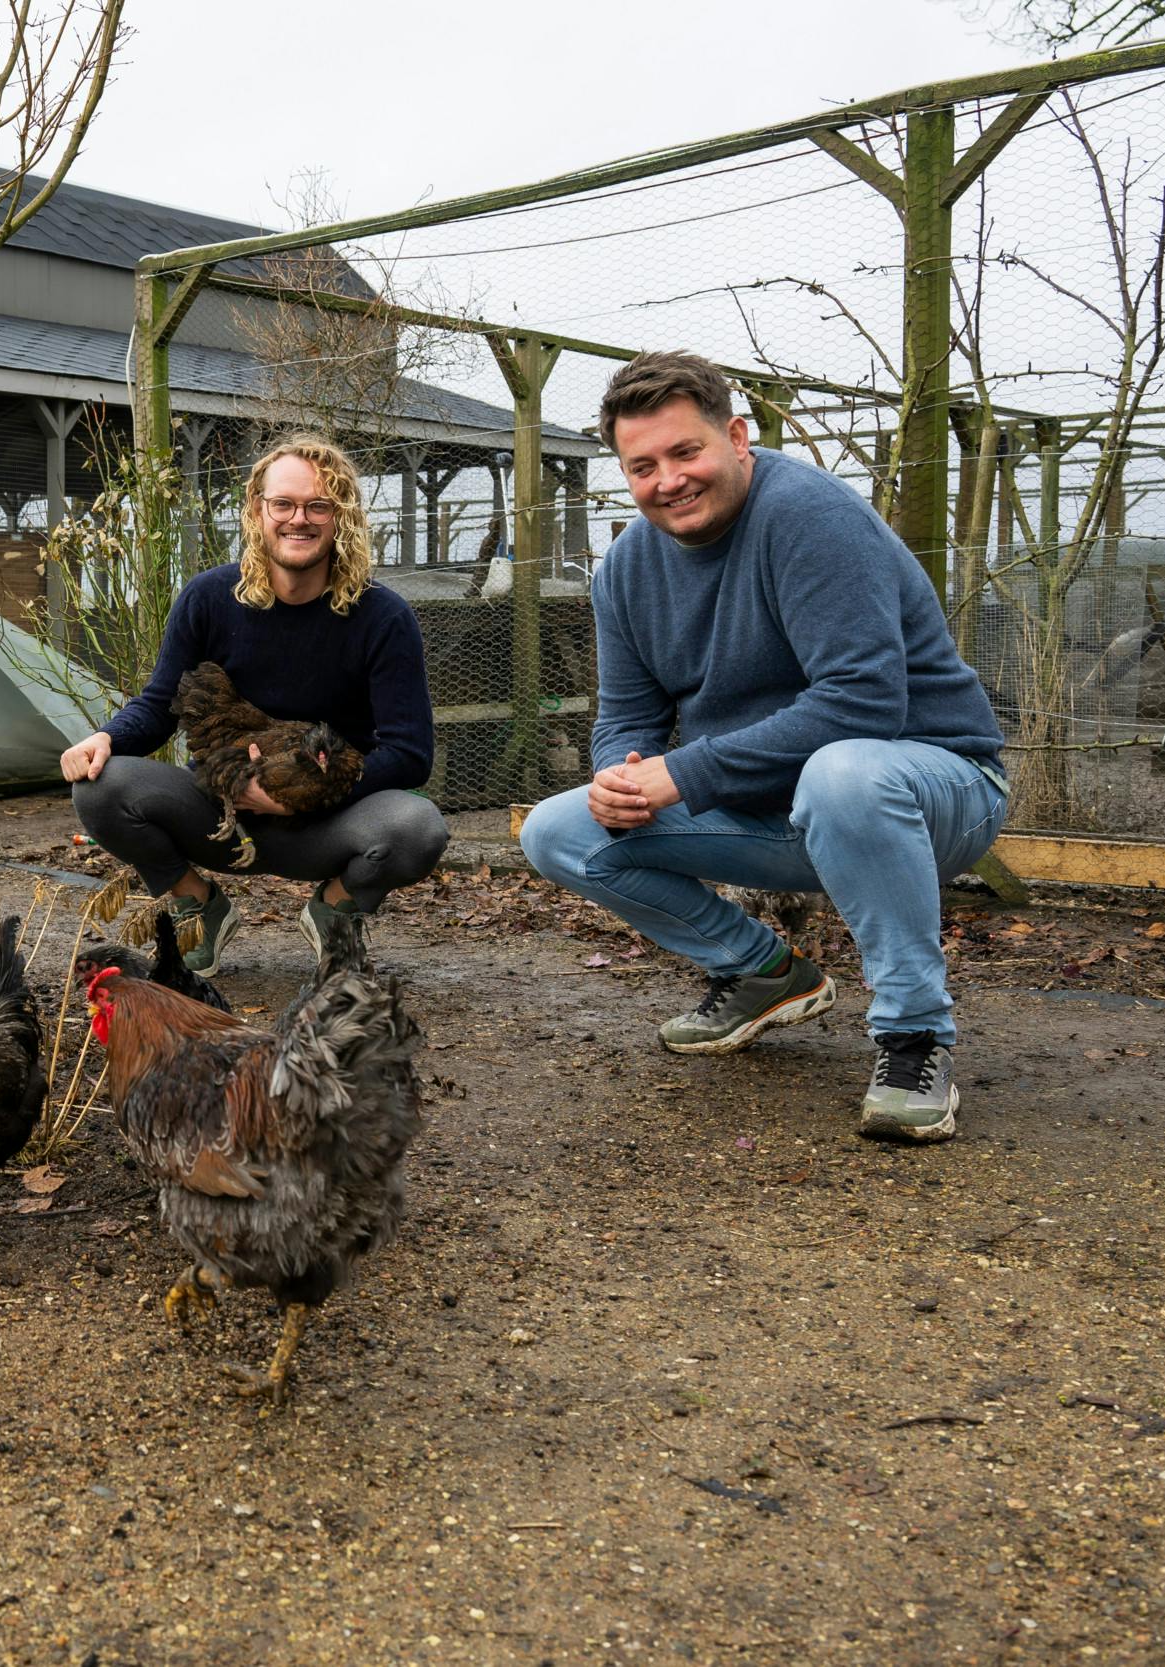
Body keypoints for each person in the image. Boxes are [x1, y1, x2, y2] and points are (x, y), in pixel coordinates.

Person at [519, 351, 1009, 1144]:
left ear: (737, 437)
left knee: (841, 772)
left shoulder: (808, 516)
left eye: (686, 452)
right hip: (774, 815)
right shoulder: (626, 572)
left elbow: (863, 702)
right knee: (559, 829)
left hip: (927, 788)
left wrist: (684, 771)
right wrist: (620, 773)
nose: (668, 479)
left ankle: (914, 1037)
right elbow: (627, 717)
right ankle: (759, 973)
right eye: (643, 466)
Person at [61, 435, 446, 974]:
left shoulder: (382, 617)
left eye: (319, 506)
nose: (299, 519)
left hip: (327, 824)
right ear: (257, 510)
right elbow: (159, 704)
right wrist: (107, 737)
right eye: (283, 504)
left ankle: (335, 911)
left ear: (341, 519)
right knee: (101, 788)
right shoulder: (210, 598)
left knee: (418, 829)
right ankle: (198, 904)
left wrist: (302, 795)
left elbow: (410, 752)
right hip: (224, 817)